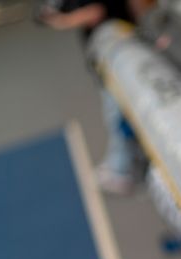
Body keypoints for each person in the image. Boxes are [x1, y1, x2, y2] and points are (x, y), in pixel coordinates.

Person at [38, 0, 154, 194]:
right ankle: (125, 165)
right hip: (115, 53)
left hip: (117, 55)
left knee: (117, 115)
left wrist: (60, 20)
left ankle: (123, 170)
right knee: (118, 114)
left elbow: (94, 13)